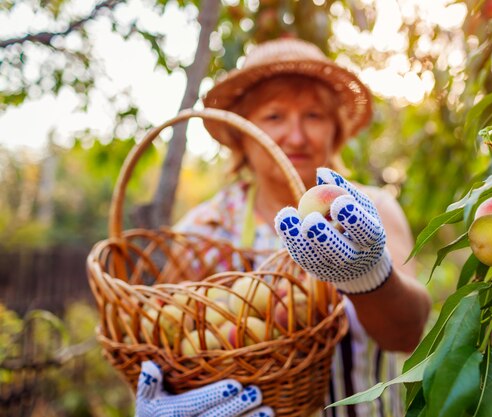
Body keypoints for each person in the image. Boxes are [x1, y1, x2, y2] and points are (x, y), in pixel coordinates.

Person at [135, 37, 431, 417]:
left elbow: (407, 335)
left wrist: (370, 275)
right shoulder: (204, 228)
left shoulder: (369, 209)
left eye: (314, 116)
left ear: (334, 130)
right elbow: (172, 338)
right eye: (274, 116)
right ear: (243, 133)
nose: (296, 136)